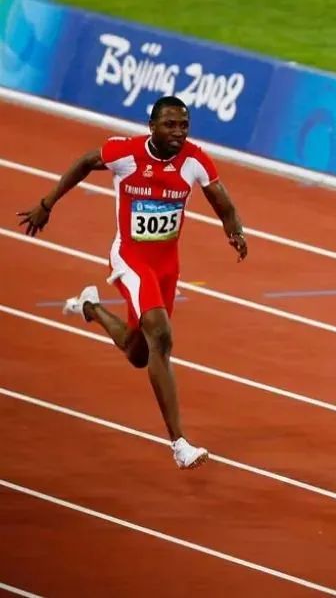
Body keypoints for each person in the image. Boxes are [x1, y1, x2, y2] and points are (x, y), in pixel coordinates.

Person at [17, 96, 248, 469]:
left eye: (184, 125)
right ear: (152, 126)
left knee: (138, 353)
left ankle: (90, 306)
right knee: (162, 336)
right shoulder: (126, 153)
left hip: (166, 267)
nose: (178, 132)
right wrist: (47, 203)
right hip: (131, 259)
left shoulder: (195, 159)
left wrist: (234, 230)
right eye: (170, 125)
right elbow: (85, 162)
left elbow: (221, 200)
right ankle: (180, 444)